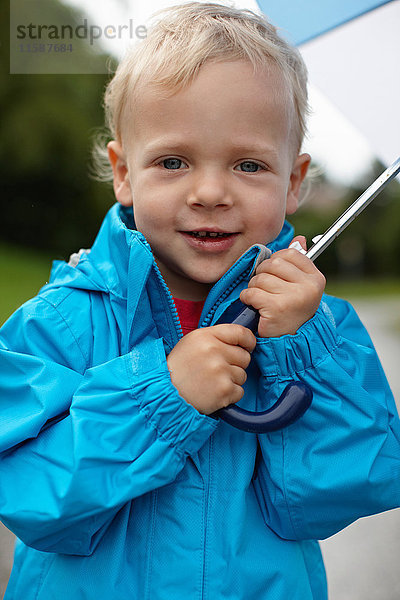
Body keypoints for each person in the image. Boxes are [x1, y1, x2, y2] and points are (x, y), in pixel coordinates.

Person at [1, 3, 399, 599]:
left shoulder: (318, 332)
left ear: (294, 181)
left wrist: (300, 350)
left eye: (248, 164)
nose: (210, 192)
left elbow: (343, 491)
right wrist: (164, 399)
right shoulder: (63, 323)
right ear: (123, 172)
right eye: (173, 161)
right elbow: (31, 496)